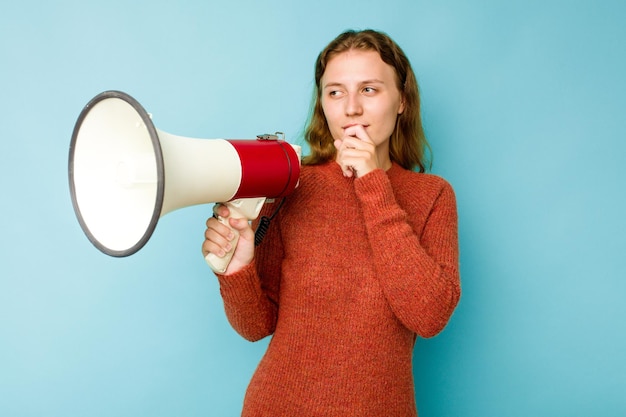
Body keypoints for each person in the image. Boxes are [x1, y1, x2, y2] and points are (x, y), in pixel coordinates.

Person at [202, 29, 460, 417]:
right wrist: (237, 269)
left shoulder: (433, 196)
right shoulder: (291, 185)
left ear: (402, 100)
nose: (351, 108)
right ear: (323, 104)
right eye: (335, 92)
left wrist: (373, 184)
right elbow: (256, 325)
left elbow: (429, 315)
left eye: (369, 90)